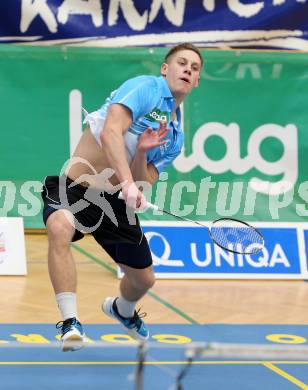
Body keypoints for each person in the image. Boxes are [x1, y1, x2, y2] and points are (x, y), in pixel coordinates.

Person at [41, 43, 203, 352]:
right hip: (77, 187)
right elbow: (110, 132)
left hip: (115, 205)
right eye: (182, 63)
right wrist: (128, 182)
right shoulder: (144, 88)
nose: (188, 70)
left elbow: (142, 185)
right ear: (165, 69)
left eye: (194, 69)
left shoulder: (175, 136)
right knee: (59, 225)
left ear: (197, 81)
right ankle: (70, 321)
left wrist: (141, 154)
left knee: (143, 281)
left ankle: (122, 310)